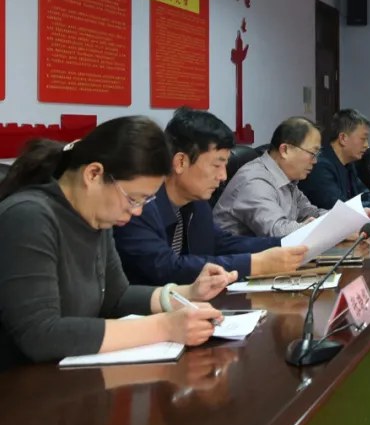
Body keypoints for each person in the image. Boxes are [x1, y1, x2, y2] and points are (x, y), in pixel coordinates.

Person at [0, 117, 229, 370]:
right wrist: (165, 327)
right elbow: (40, 334)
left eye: (145, 201)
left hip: (71, 376)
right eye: (133, 198)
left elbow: (116, 297)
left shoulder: (98, 218)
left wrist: (186, 294)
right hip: (21, 383)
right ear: (93, 174)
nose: (138, 211)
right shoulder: (29, 217)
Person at [114, 108, 308, 284]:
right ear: (180, 162)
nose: (223, 176)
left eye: (225, 165)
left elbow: (222, 244)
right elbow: (167, 268)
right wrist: (254, 264)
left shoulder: (197, 203)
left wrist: (289, 242)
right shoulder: (139, 204)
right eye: (216, 165)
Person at [213, 116, 327, 237]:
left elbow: (311, 213)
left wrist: (337, 219)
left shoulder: (287, 180)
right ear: (285, 150)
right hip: (235, 249)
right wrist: (316, 228)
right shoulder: (255, 181)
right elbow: (277, 232)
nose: (315, 161)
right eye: (312, 153)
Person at [299, 109, 370, 214]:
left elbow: (364, 195)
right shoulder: (320, 166)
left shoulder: (349, 164)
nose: (367, 145)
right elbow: (341, 208)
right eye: (363, 139)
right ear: (343, 138)